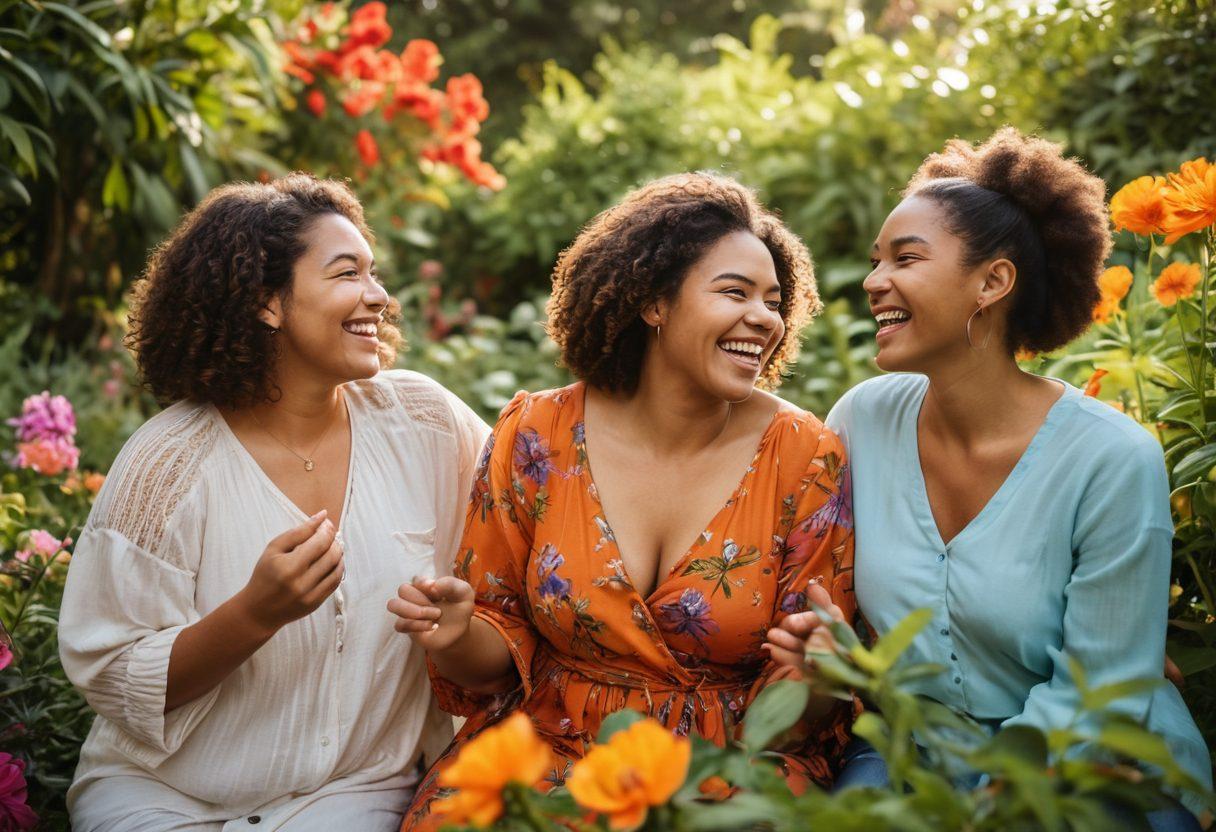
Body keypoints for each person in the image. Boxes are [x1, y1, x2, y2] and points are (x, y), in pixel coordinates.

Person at [392, 172, 856, 829]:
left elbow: (804, 700)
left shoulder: (805, 456)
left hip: (728, 767)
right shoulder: (537, 435)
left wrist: (819, 676)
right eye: (734, 292)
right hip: (554, 749)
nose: (763, 317)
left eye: (774, 301)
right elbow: (498, 647)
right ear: (654, 303)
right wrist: (457, 634)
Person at [779, 128, 1210, 829]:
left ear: (993, 282)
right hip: (914, 749)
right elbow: (835, 609)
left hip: (1091, 755)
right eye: (876, 261)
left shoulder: (1111, 458)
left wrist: (984, 805)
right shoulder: (861, 420)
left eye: (905, 258)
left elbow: (1102, 690)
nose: (873, 281)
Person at [58, 174, 488, 831]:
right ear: (266, 302)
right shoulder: (166, 464)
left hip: (353, 798)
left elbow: (529, 511)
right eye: (347, 274)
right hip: (163, 799)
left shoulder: (424, 423)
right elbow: (112, 676)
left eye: (373, 273)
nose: (378, 296)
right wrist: (253, 615)